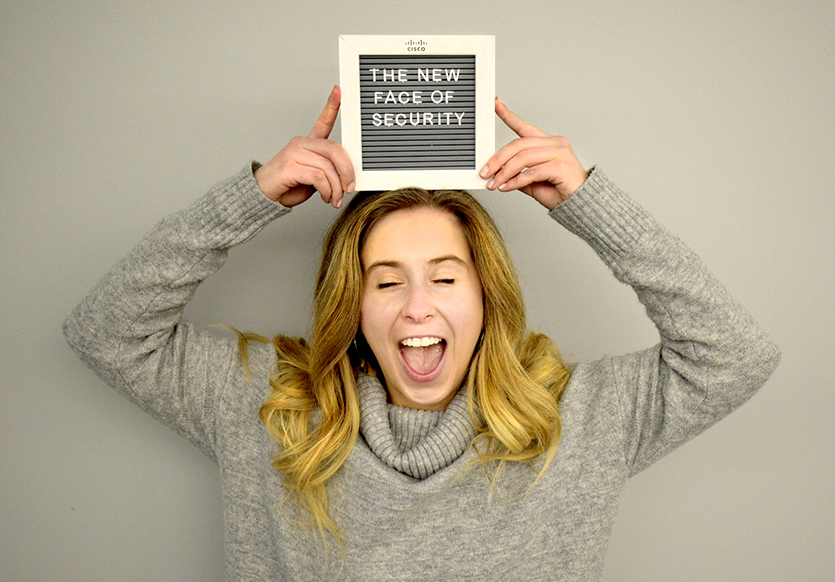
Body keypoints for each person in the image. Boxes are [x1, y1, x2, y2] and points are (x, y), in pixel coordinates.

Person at [64, 85, 781, 581]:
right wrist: (250, 198)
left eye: (444, 277)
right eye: (384, 279)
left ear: (486, 295)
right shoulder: (267, 406)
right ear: (351, 301)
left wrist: (588, 202)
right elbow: (105, 330)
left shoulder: (580, 418)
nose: (415, 308)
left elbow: (735, 356)